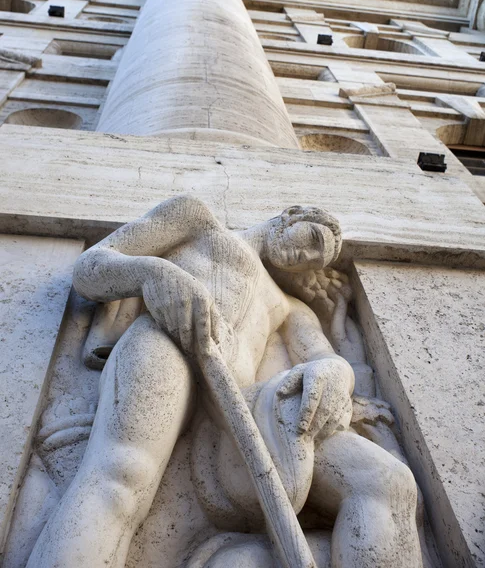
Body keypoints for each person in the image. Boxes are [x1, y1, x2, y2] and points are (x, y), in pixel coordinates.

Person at [27, 194, 422, 568]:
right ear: (291, 215)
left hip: (241, 406)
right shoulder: (196, 219)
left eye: (313, 260)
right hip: (170, 345)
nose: (304, 257)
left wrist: (336, 372)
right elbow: (91, 268)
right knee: (121, 477)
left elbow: (323, 356)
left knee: (388, 481)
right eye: (311, 239)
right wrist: (154, 273)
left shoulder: (290, 306)